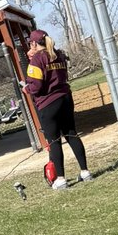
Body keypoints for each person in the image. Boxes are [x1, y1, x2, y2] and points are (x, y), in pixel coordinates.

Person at [23, 28, 92, 191]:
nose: (30, 46)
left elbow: (36, 86)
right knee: (71, 133)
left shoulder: (37, 59)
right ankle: (85, 172)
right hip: (65, 98)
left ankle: (60, 179)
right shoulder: (58, 54)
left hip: (48, 103)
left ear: (34, 43)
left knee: (54, 140)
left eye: (30, 43)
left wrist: (26, 88)